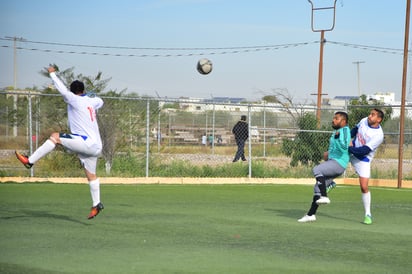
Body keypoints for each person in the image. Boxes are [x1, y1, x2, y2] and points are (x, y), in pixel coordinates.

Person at [15, 66, 104, 220]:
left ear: (73, 91)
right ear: (83, 90)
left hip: (86, 142)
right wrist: (89, 96)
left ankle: (30, 161)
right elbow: (100, 101)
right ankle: (97, 204)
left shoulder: (73, 98)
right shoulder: (93, 101)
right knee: (91, 175)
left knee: (55, 137)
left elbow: (62, 90)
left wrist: (52, 74)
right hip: (96, 146)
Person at [298, 111, 351, 223]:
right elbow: (336, 148)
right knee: (317, 188)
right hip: (333, 161)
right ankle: (310, 214)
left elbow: (345, 146)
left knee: (317, 169)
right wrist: (328, 153)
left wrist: (337, 139)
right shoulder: (337, 131)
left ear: (344, 121)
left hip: (339, 163)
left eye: (336, 118)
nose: (333, 120)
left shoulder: (345, 130)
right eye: (333, 118)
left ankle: (325, 196)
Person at [349, 108, 384, 225]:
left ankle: (367, 214)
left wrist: (348, 148)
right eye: (370, 114)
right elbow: (354, 130)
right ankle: (328, 183)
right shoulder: (364, 120)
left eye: (373, 115)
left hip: (363, 159)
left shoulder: (379, 135)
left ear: (379, 119)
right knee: (329, 157)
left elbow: (363, 151)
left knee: (364, 187)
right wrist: (346, 139)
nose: (369, 116)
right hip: (352, 150)